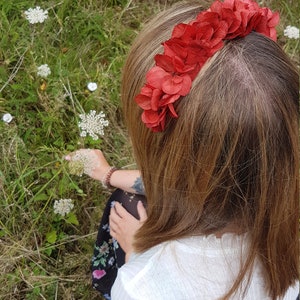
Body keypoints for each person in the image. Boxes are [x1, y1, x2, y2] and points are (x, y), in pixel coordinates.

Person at [107, 0, 299, 299]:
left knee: (122, 204)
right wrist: (108, 174)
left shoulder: (139, 286)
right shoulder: (286, 245)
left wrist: (137, 252)